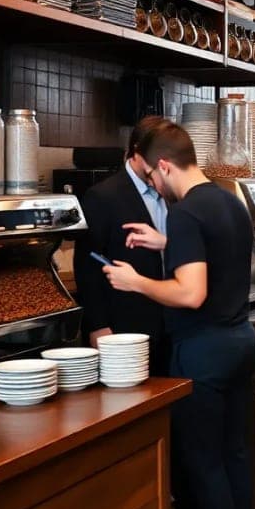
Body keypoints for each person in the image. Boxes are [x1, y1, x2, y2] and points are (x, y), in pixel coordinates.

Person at [101, 122, 255, 509]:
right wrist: (166, 243)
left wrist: (135, 282)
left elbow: (191, 294)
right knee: (235, 454)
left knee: (204, 464)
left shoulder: (185, 212)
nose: (155, 184)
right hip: (243, 342)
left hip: (205, 352)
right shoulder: (229, 201)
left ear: (165, 165)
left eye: (152, 176)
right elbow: (216, 251)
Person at [74, 115, 170, 375]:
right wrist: (97, 325)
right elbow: (87, 264)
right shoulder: (103, 196)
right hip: (125, 323)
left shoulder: (171, 191)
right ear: (136, 150)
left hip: (172, 322)